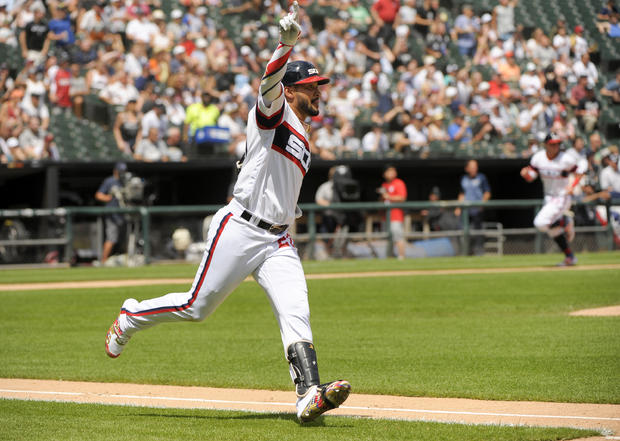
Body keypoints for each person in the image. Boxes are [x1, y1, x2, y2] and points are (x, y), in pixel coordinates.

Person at [104, 2, 350, 424]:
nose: (318, 91)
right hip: (241, 227)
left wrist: (290, 208)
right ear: (291, 91)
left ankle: (308, 393)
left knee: (296, 311)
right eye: (311, 85)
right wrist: (283, 48)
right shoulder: (274, 116)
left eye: (318, 85)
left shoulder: (304, 136)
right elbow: (268, 86)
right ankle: (130, 317)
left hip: (278, 238)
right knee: (197, 306)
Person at [520, 133, 586, 266]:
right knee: (552, 230)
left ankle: (565, 221)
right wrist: (525, 175)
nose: (555, 146)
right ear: (546, 145)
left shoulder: (566, 159)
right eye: (552, 144)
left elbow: (579, 173)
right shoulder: (538, 158)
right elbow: (531, 176)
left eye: (557, 144)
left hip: (561, 196)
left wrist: (572, 186)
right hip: (548, 196)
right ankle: (570, 257)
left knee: (540, 223)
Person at [456, 159, 491, 255]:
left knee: (478, 231)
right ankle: (465, 251)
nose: (474, 169)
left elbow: (487, 192)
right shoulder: (464, 178)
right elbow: (462, 194)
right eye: (472, 167)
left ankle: (479, 252)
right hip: (466, 210)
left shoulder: (481, 177)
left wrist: (482, 204)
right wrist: (458, 207)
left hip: (477, 209)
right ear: (467, 168)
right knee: (462, 230)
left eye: (475, 167)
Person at [95, 162, 128, 264]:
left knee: (125, 239)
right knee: (111, 238)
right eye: (120, 171)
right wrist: (109, 198)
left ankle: (125, 260)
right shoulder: (109, 181)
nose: (122, 173)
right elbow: (98, 195)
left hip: (124, 214)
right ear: (115, 171)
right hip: (112, 214)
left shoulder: (125, 181)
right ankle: (103, 261)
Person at [379, 165, 408, 259]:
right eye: (389, 171)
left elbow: (402, 198)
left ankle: (401, 256)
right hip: (385, 216)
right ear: (384, 174)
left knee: (398, 236)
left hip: (396, 215)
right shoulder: (384, 185)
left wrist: (388, 196)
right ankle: (389, 257)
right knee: (388, 238)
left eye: (393, 171)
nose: (392, 173)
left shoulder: (399, 183)